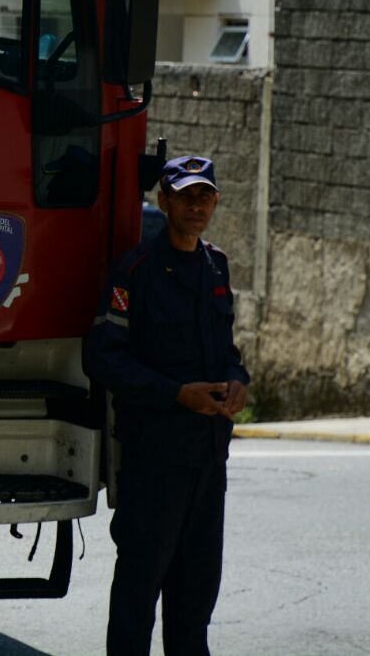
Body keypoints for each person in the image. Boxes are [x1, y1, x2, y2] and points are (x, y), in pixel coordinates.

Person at [83, 154, 251, 656]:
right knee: (138, 599)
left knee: (195, 602)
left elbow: (225, 350)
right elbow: (102, 358)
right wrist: (176, 394)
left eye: (205, 196)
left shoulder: (215, 266)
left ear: (215, 203)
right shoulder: (135, 272)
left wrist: (238, 379)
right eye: (185, 196)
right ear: (164, 201)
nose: (196, 205)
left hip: (207, 461)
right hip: (154, 462)